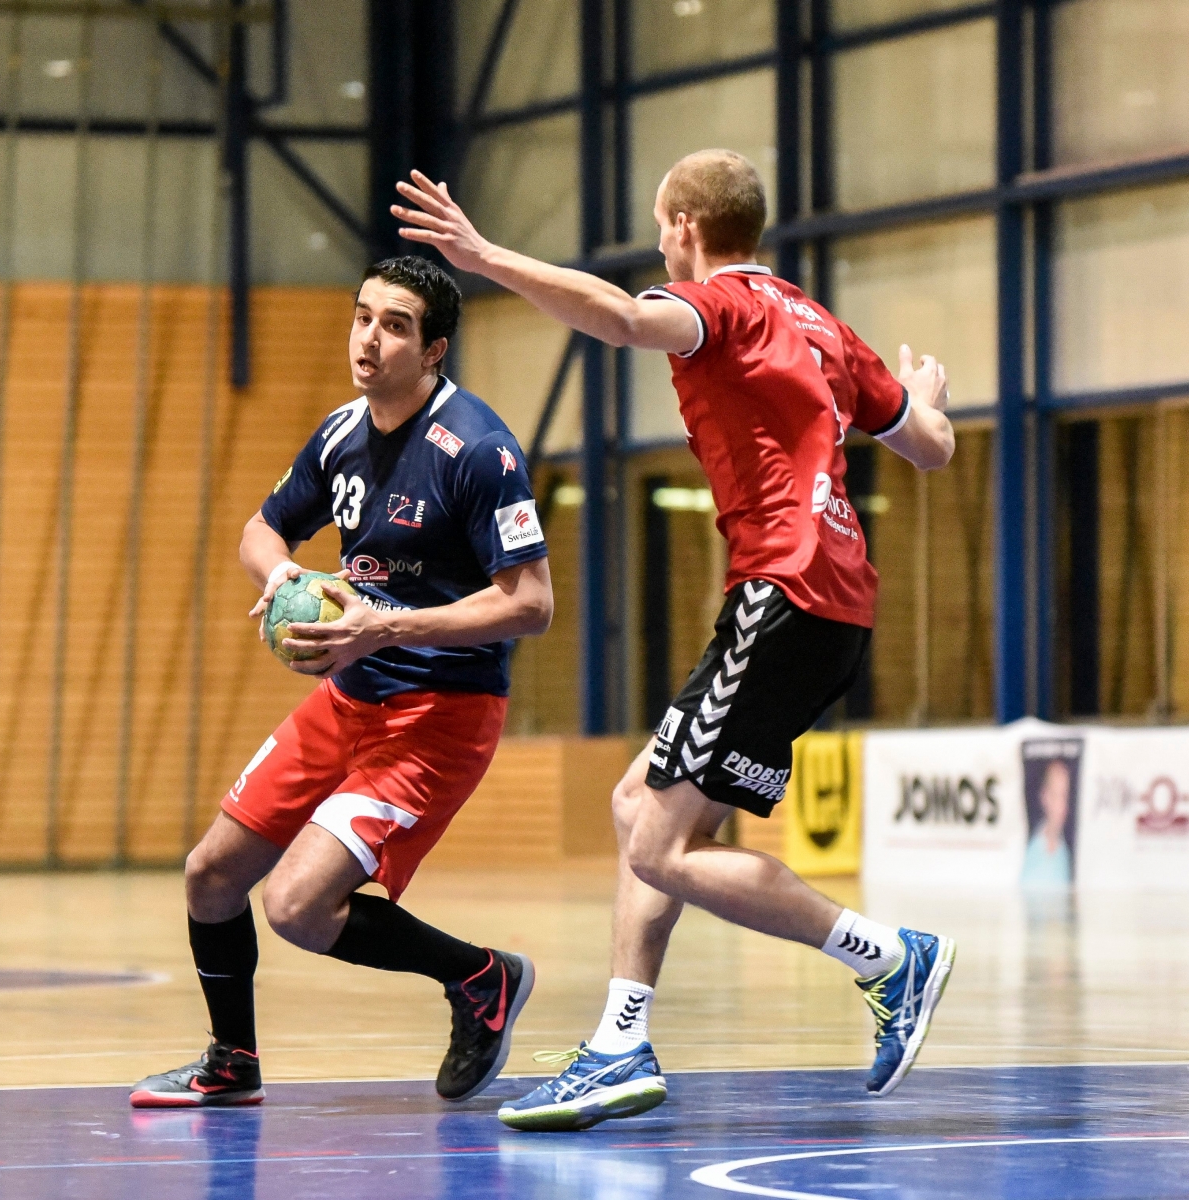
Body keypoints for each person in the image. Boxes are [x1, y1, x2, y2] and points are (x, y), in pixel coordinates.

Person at [392, 149, 957, 1132]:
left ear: (688, 226)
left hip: (782, 595)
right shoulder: (823, 325)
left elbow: (618, 320)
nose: (660, 242)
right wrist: (926, 394)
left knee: (659, 844)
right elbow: (931, 448)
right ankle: (620, 1042)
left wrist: (485, 257)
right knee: (638, 809)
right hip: (828, 603)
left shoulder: (727, 308)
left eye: (663, 226)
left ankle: (892, 959)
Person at [130, 256, 553, 1108]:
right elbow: (260, 528)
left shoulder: (477, 449)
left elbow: (532, 603)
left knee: (295, 905)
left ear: (434, 351)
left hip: (439, 714)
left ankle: (481, 978)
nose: (368, 338)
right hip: (348, 699)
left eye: (394, 325)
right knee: (211, 874)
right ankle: (232, 1062)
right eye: (363, 317)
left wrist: (383, 623)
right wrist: (283, 580)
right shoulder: (340, 434)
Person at [1022, 759, 1073, 886]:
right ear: (1045, 797)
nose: (1062, 806)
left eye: (1065, 796)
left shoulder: (1065, 853)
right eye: (1056, 796)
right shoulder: (1027, 852)